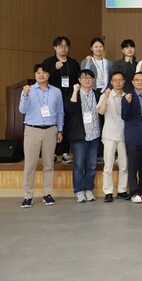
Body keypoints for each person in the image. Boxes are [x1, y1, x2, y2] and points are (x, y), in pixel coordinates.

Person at [19, 64, 64, 208]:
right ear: (35, 75)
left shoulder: (56, 91)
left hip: (50, 130)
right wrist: (25, 95)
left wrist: (60, 130)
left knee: (49, 164)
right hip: (32, 130)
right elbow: (22, 110)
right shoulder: (28, 90)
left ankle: (47, 194)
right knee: (30, 165)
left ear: (49, 75)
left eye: (44, 72)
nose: (41, 75)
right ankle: (28, 196)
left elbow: (60, 112)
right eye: (38, 73)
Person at [65, 69, 102, 203]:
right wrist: (75, 91)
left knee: (92, 165)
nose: (87, 80)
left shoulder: (98, 95)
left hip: (95, 134)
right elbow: (70, 109)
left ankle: (88, 188)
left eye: (89, 78)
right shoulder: (73, 94)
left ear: (93, 80)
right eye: (84, 78)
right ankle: (78, 190)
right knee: (79, 165)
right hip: (79, 135)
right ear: (79, 80)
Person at [42, 36, 80, 164]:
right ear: (55, 48)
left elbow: (78, 80)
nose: (63, 48)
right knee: (53, 125)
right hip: (52, 99)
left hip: (69, 98)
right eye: (60, 46)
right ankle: (51, 152)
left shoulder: (73, 63)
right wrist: (54, 69)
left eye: (66, 46)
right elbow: (42, 78)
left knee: (67, 125)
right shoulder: (48, 62)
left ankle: (65, 153)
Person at [121, 71, 142, 203]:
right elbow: (125, 116)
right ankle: (134, 192)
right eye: (137, 80)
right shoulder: (128, 96)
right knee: (133, 165)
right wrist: (128, 103)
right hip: (134, 135)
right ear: (132, 82)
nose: (140, 82)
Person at [97, 71, 128, 202]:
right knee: (108, 166)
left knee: (124, 165)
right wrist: (106, 96)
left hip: (124, 135)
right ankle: (108, 192)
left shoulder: (127, 96)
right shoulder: (105, 96)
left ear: (124, 81)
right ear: (111, 82)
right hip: (109, 135)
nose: (118, 82)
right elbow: (101, 111)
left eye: (120, 80)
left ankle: (122, 190)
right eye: (115, 80)